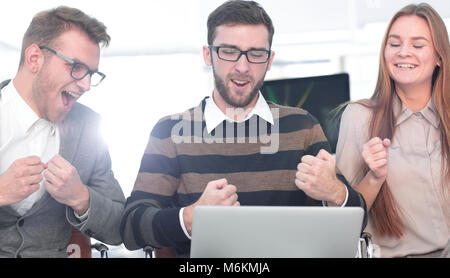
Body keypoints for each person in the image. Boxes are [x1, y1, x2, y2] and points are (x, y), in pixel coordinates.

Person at [121, 0, 366, 257]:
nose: (242, 66)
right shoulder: (170, 131)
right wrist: (192, 218)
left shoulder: (303, 126)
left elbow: (358, 220)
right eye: (229, 51)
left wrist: (337, 194)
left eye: (256, 53)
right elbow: (130, 228)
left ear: (269, 60)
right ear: (208, 55)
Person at [0, 6, 126, 258]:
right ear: (35, 58)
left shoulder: (88, 127)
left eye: (91, 73)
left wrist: (82, 198)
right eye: (77, 67)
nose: (86, 85)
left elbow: (119, 227)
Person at [336, 3, 449, 258]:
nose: (403, 53)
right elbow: (344, 220)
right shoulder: (359, 118)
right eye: (394, 43)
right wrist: (374, 177)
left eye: (418, 45)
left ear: (439, 57)